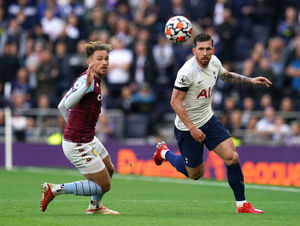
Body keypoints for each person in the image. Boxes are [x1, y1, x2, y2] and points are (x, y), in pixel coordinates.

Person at [153, 33, 272, 214]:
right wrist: (192, 129)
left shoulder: (214, 61)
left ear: (213, 50)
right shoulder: (187, 72)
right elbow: (175, 102)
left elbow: (226, 76)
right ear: (194, 51)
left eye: (208, 49)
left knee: (232, 156)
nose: (205, 53)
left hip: (208, 119)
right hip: (187, 127)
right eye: (201, 49)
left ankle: (242, 204)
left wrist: (251, 80)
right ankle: (164, 152)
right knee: (195, 174)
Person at [40, 41, 120, 215]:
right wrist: (85, 88)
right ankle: (54, 189)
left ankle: (95, 207)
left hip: (87, 137)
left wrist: (74, 125)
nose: (105, 62)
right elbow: (67, 104)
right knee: (104, 185)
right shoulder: (87, 81)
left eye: (107, 58)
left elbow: (61, 106)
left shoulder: (90, 79)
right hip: (77, 143)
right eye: (99, 59)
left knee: (110, 169)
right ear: (89, 61)